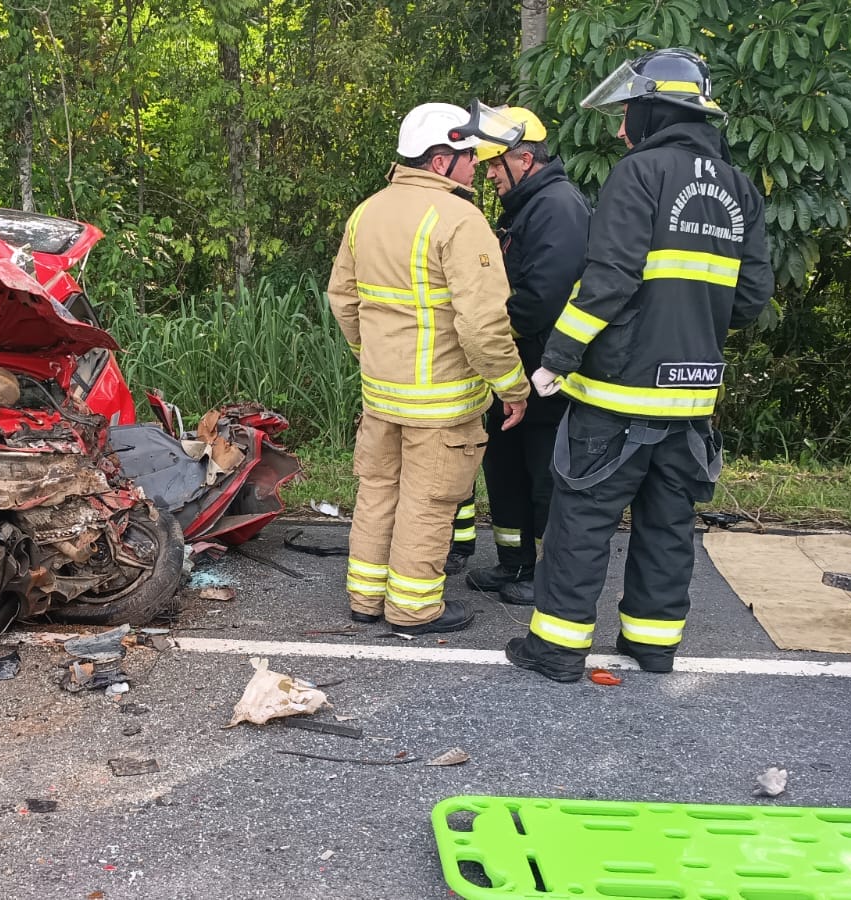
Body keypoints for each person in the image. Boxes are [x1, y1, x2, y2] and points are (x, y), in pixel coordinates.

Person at [505, 49, 773, 681]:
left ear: (654, 110)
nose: (622, 128)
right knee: (668, 524)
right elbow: (752, 302)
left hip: (619, 394)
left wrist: (557, 359)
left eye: (628, 113)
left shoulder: (640, 173)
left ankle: (557, 650)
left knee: (582, 519)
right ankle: (653, 645)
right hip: (693, 397)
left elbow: (607, 280)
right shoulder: (740, 189)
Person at [327, 102, 529, 635]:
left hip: (381, 395)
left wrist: (367, 356)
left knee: (377, 491)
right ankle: (413, 609)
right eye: (468, 156)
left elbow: (343, 299)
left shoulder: (366, 212)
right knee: (428, 502)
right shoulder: (460, 219)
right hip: (441, 402)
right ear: (441, 161)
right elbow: (484, 322)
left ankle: (365, 599)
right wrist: (511, 385)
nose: (475, 167)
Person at [462, 106, 592, 606]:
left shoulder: (558, 206)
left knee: (544, 476)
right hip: (514, 370)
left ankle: (548, 574)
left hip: (546, 374)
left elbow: (541, 298)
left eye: (495, 163)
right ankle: (514, 564)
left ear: (525, 158)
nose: (489, 173)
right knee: (505, 468)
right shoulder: (528, 206)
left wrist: (485, 328)